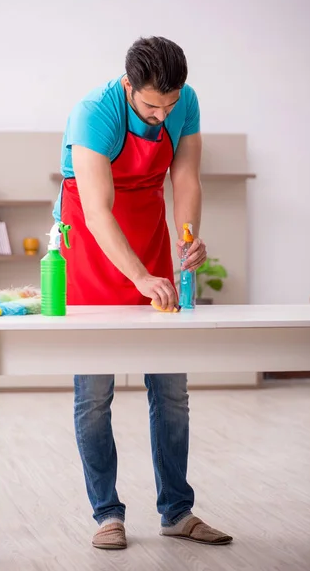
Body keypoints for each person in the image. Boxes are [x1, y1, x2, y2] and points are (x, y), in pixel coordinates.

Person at [52, 36, 233, 550]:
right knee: (94, 395)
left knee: (171, 389)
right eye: (152, 105)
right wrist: (137, 277)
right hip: (93, 243)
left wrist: (189, 239)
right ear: (128, 85)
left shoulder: (183, 102)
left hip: (149, 237)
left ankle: (178, 511)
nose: (161, 115)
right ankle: (106, 513)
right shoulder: (93, 113)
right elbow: (95, 210)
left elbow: (186, 179)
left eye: (169, 105)